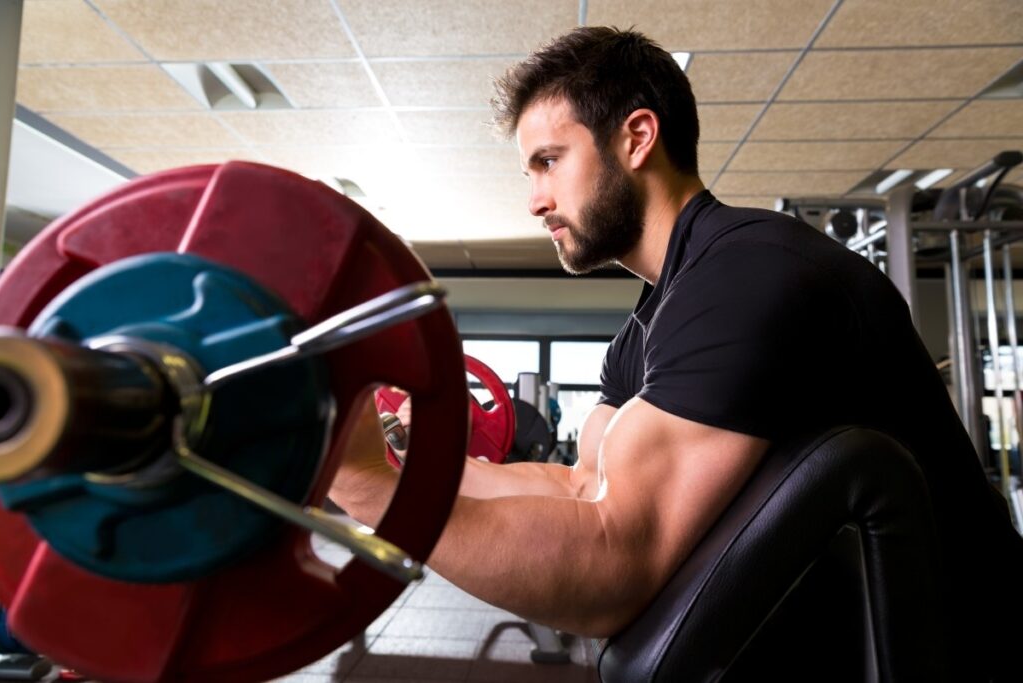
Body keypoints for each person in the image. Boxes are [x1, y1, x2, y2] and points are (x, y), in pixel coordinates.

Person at [330, 26, 1023, 678]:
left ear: (636, 137)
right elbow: (578, 486)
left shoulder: (748, 274)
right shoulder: (648, 326)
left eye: (549, 161)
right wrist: (404, 463)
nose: (535, 201)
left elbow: (614, 562)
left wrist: (370, 489)